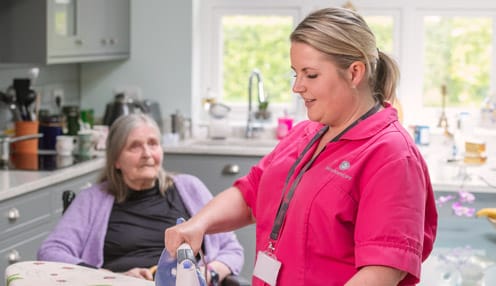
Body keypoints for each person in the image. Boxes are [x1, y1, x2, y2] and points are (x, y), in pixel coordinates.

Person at [164, 7, 438, 286]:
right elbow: (251, 194)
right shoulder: (307, 133)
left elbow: (382, 271)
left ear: (355, 73)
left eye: (310, 75)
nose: (297, 87)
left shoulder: (392, 155)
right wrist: (198, 224)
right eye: (295, 73)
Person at [38, 114, 244, 283]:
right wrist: (111, 278)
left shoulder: (189, 187)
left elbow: (232, 250)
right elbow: (50, 252)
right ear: (116, 160)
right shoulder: (92, 199)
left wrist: (209, 274)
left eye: (153, 144)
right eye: (135, 146)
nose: (147, 154)